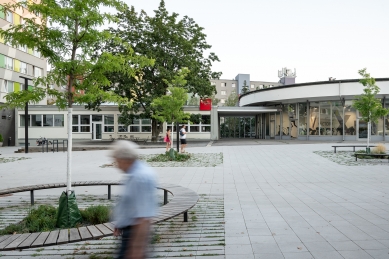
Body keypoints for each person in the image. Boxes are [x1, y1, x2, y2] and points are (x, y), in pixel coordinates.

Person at [110, 140, 157, 259]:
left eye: (116, 160)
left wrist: (136, 249)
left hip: (133, 236)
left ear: (124, 160)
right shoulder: (135, 173)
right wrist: (120, 222)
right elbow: (131, 202)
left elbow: (144, 218)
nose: (116, 164)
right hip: (129, 232)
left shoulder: (139, 177)